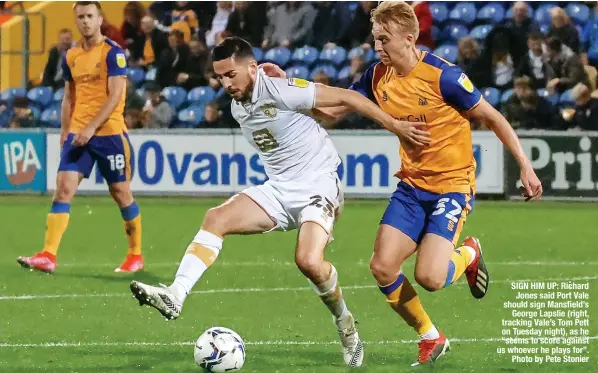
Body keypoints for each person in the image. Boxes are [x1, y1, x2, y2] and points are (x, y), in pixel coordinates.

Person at [261, 1, 543, 366]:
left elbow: (492, 117)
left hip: (452, 186)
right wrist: (286, 86)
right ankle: (431, 336)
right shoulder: (378, 76)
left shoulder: (444, 77)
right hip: (411, 187)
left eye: (384, 38)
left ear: (409, 39)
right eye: (374, 38)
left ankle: (469, 254)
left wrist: (525, 166)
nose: (377, 47)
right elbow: (330, 112)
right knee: (382, 267)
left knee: (430, 276)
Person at [129, 36, 429, 368]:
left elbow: (345, 97)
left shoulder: (280, 89)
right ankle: (175, 295)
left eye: (231, 75)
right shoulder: (238, 104)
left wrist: (396, 126)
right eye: (220, 77)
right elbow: (316, 116)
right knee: (215, 219)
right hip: (280, 188)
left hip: (319, 183)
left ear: (252, 68)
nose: (226, 83)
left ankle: (346, 327)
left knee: (308, 262)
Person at [17, 1, 144, 274]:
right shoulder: (71, 55)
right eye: (81, 17)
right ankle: (48, 255)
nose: (85, 21)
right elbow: (68, 96)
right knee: (63, 189)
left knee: (121, 193)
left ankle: (135, 255)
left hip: (109, 134)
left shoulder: (113, 53)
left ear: (100, 19)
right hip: (77, 134)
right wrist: (66, 129)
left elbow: (115, 96)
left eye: (90, 16)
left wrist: (91, 128)